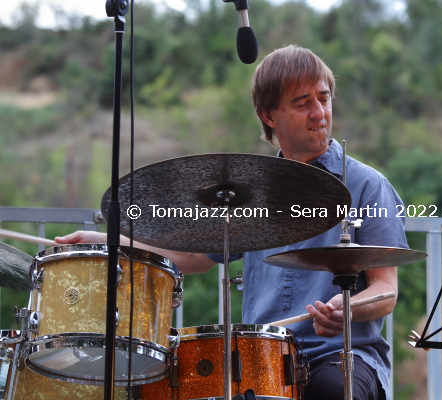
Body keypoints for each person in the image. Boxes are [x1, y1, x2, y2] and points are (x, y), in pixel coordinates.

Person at [56, 45, 408, 400]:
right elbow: (192, 257)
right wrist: (105, 243)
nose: (319, 113)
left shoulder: (366, 185)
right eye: (303, 104)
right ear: (269, 116)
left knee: (330, 392)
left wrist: (346, 310)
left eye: (324, 98)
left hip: (340, 355)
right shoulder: (250, 193)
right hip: (262, 358)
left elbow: (386, 291)